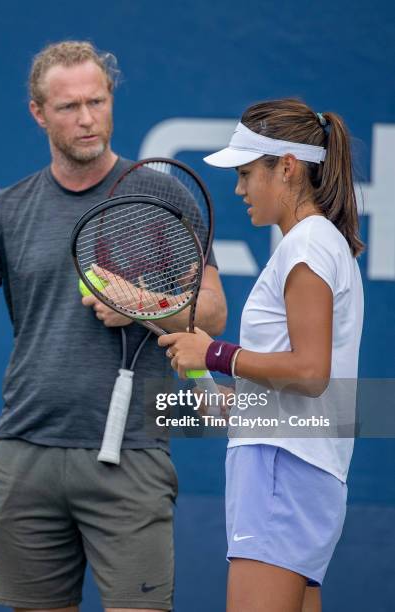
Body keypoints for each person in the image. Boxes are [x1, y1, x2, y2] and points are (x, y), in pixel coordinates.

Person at [0, 41, 227, 612]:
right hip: (26, 455)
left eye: (97, 102)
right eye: (68, 107)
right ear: (38, 113)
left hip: (131, 455)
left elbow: (214, 314)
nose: (86, 119)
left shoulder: (161, 193)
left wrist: (139, 306)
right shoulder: (7, 209)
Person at [159, 99, 364, 612]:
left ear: (287, 167)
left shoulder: (308, 246)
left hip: (282, 472)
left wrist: (215, 352)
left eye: (247, 173)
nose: (239, 188)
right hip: (300, 471)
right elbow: (302, 388)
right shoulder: (320, 243)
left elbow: (311, 373)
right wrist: (225, 395)